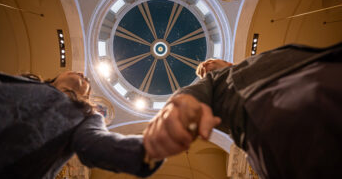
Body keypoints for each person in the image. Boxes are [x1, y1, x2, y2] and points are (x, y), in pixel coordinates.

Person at [144, 42, 342, 178]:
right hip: (276, 119)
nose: (204, 68)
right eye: (202, 72)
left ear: (229, 63)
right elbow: (191, 94)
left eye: (207, 62)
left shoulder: (248, 65)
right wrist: (179, 106)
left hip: (314, 78)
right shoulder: (214, 83)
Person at [0, 71, 166, 178]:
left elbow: (95, 143)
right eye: (77, 72)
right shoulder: (28, 81)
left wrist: (148, 149)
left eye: (87, 82)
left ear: (86, 97)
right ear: (56, 76)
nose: (83, 75)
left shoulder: (85, 115)